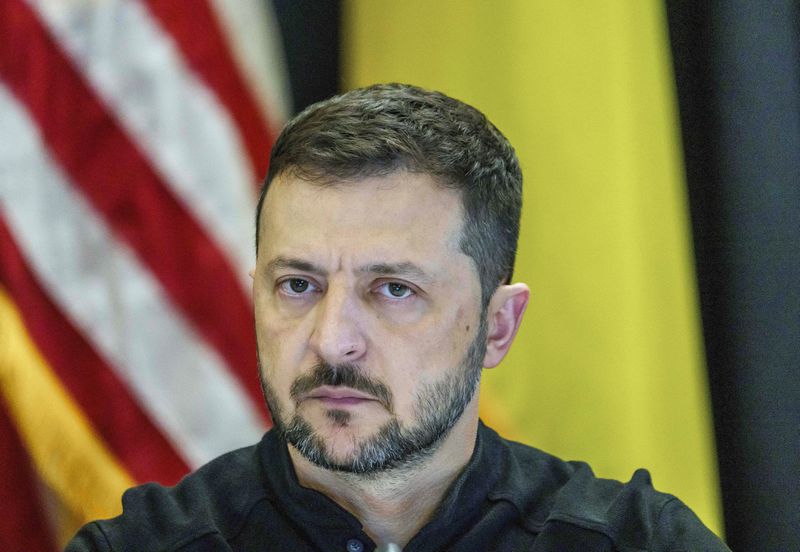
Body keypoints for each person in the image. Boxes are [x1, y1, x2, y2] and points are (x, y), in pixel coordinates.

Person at [67, 83, 729, 551]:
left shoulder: (638, 543)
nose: (332, 341)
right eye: (298, 285)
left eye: (392, 290)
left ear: (498, 326)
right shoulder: (142, 546)